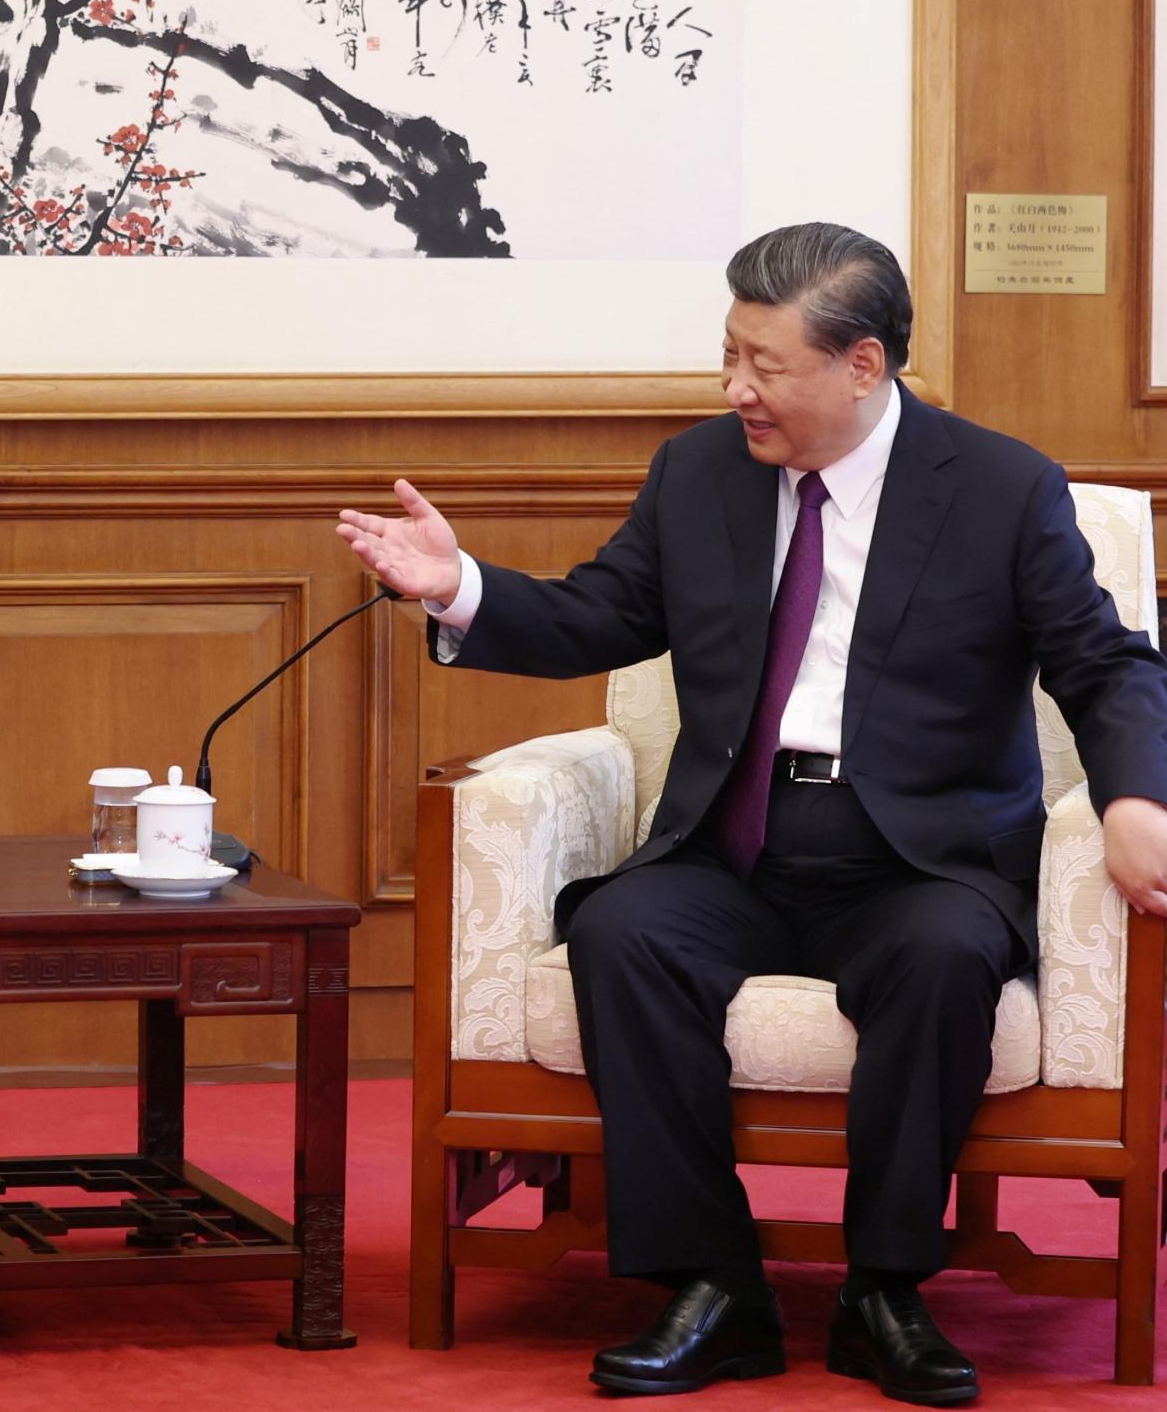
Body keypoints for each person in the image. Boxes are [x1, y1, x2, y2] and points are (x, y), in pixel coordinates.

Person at [337, 222, 1167, 1404]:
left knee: (939, 960)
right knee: (622, 936)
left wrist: (1136, 794)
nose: (734, 388)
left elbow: (1104, 664)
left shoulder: (997, 487)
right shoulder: (698, 471)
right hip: (735, 844)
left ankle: (883, 1288)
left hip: (915, 862)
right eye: (727, 355)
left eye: (761, 364)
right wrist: (457, 586)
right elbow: (601, 614)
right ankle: (713, 1285)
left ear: (861, 364)